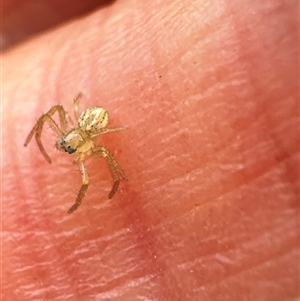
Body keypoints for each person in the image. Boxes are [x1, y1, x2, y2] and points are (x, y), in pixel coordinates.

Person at [2, 0, 298, 300]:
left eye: (68, 145)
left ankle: (111, 184)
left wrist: (111, 181)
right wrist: (36, 139)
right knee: (51, 112)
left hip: (94, 124)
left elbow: (89, 175)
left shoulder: (91, 143)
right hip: (88, 123)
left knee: (94, 170)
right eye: (67, 144)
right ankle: (42, 146)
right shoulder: (69, 127)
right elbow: (52, 112)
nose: (66, 146)